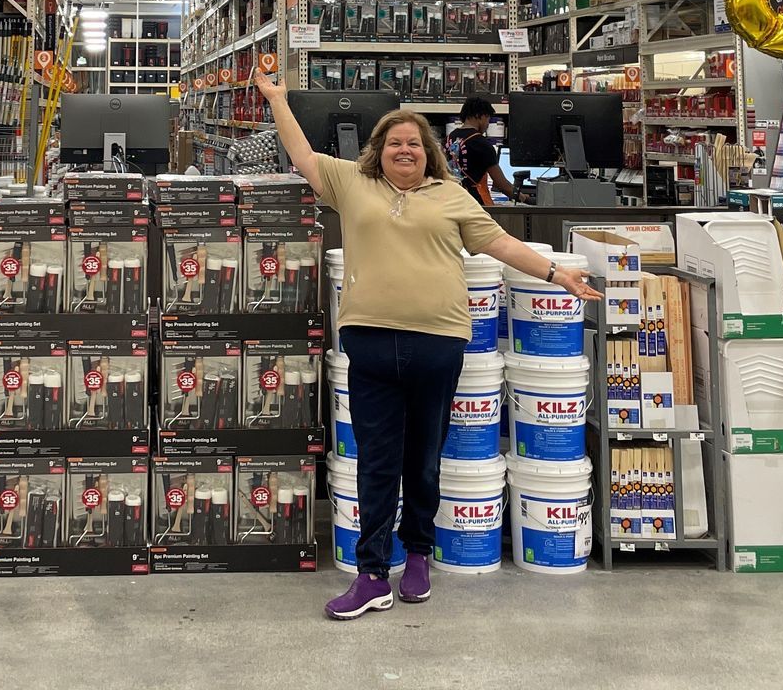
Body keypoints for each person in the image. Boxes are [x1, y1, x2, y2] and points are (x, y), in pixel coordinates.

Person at [252, 67, 600, 619]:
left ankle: (416, 555)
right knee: (376, 462)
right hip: (369, 342)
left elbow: (503, 243)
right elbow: (302, 156)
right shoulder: (352, 183)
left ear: (429, 152)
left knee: (423, 460)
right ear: (378, 150)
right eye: (394, 142)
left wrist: (557, 274)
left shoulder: (453, 196)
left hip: (438, 343)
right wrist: (276, 99)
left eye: (414, 142)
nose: (404, 149)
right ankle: (371, 574)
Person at [444, 95, 513, 205]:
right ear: (479, 116)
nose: (487, 125)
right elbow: (502, 184)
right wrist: (524, 198)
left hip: (451, 202)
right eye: (487, 119)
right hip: (476, 204)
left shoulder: (448, 139)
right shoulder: (482, 144)